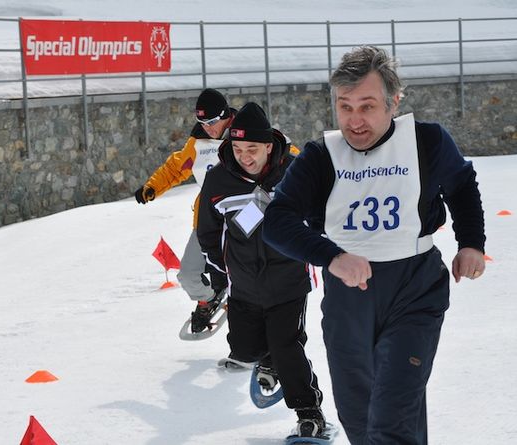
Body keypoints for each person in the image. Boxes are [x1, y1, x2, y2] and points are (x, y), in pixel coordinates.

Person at [263, 46, 486, 444]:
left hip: (415, 288)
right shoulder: (321, 157)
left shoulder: (426, 141)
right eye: (345, 107)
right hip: (349, 298)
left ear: (393, 102)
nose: (355, 120)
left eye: (367, 106)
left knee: (392, 415)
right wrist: (332, 257)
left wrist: (470, 242)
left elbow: (462, 185)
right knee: (361, 417)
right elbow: (277, 222)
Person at [197, 102, 326, 438]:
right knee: (244, 350)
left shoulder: (295, 171)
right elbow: (208, 231)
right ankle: (268, 359)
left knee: (287, 346)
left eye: (252, 149)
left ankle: (309, 413)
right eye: (237, 149)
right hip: (243, 285)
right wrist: (219, 272)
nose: (244, 157)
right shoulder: (219, 179)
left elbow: (322, 214)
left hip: (289, 280)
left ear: (269, 146)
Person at [134, 88, 232, 332]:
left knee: (244, 274)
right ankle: (207, 299)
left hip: (241, 220)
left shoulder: (246, 134)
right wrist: (152, 187)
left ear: (226, 115)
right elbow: (176, 167)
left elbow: (282, 153)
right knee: (187, 275)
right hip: (208, 220)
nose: (207, 128)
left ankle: (247, 314)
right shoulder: (198, 143)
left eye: (212, 122)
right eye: (202, 122)